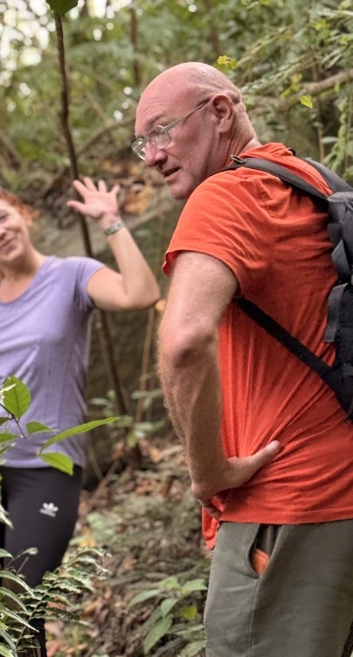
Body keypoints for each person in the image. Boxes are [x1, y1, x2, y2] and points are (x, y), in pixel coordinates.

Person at [133, 61, 353, 657]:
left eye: (162, 131)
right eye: (142, 142)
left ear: (220, 112)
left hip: (287, 505)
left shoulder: (228, 194)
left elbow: (184, 341)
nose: (151, 156)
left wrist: (207, 471)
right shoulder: (308, 181)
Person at [0, 177, 159, 656]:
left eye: (2, 217)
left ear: (24, 215)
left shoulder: (72, 275)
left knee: (17, 611)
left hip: (46, 467)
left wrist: (110, 220)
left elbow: (139, 294)